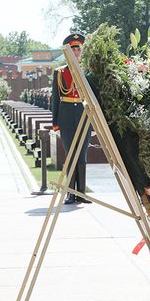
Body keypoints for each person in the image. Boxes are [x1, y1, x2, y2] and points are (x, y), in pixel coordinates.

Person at [51, 33, 91, 205]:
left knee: (82, 155)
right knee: (70, 154)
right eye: (73, 49)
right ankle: (70, 193)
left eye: (78, 49)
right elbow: (55, 98)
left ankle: (81, 193)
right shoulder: (59, 73)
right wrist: (55, 122)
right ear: (68, 52)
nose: (76, 52)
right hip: (66, 116)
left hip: (83, 115)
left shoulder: (87, 71)